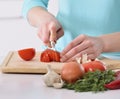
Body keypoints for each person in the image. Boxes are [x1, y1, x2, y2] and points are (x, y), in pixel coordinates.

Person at [22, 0, 120, 62]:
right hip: (61, 58)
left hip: (114, 61)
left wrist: (104, 43)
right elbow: (32, 2)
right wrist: (43, 19)